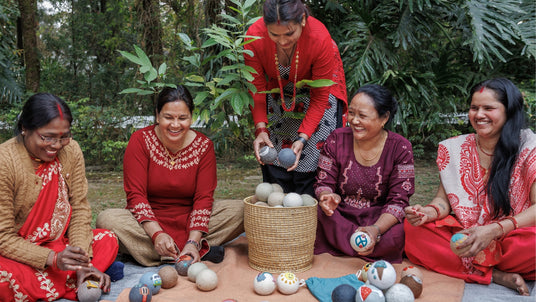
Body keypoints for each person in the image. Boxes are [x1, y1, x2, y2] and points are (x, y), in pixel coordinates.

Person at [404, 78, 535, 295]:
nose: (479, 114)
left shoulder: (530, 148)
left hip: (511, 238)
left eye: (488, 108)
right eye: (474, 108)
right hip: (468, 238)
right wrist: (426, 212)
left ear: (509, 111)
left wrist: (494, 230)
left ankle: (469, 267)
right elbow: (443, 202)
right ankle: (494, 275)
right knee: (413, 230)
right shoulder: (455, 148)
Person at [96, 85, 244, 266]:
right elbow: (135, 195)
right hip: (147, 223)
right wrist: (157, 234)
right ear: (158, 115)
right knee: (106, 219)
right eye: (168, 117)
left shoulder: (204, 146)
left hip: (191, 219)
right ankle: (195, 251)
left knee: (244, 209)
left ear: (191, 117)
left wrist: (193, 240)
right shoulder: (140, 140)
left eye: (182, 118)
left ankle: (180, 249)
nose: (175, 124)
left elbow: (204, 198)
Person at [0, 93, 119, 300]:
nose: (56, 145)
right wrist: (53, 259)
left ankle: (79, 272)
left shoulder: (71, 150)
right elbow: (3, 238)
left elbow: (80, 208)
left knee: (107, 239)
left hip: (59, 243)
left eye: (63, 136)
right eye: (47, 137)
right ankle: (81, 275)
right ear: (24, 128)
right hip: (16, 251)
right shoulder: (5, 162)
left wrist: (80, 259)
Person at [244, 0, 348, 196]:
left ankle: (313, 215)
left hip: (318, 96)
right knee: (275, 160)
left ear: (302, 20)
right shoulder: (254, 36)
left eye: (289, 33)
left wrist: (303, 137)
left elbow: (319, 98)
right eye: (274, 34)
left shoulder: (319, 37)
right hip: (278, 94)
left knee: (315, 163)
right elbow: (256, 89)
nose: (282, 41)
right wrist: (261, 128)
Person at [313, 84, 414, 263]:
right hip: (340, 214)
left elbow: (399, 200)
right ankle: (364, 249)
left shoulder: (400, 147)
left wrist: (375, 230)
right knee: (318, 215)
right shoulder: (336, 138)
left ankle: (350, 246)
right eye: (351, 113)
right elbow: (323, 182)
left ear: (384, 118)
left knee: (400, 232)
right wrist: (327, 197)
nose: (354, 120)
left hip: (378, 217)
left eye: (362, 116)